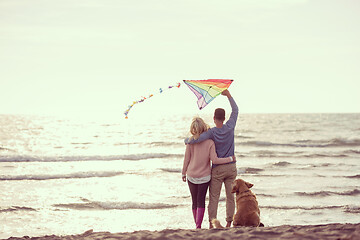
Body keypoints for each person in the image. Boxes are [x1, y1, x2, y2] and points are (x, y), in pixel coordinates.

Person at [184, 89, 238, 228]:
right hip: (231, 166)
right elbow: (236, 110)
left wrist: (187, 140)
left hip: (218, 169)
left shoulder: (211, 132)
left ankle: (211, 223)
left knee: (214, 197)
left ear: (214, 119)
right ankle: (228, 222)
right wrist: (229, 96)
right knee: (230, 197)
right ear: (224, 119)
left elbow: (197, 139)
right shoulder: (231, 126)